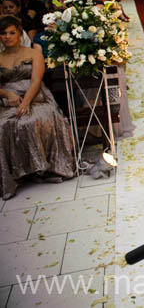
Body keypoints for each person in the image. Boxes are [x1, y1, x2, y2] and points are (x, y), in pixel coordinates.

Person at [0, 16, 75, 200]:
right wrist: (7, 94)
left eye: (12, 32)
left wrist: (26, 102)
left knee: (32, 120)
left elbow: (36, 80)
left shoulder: (33, 53)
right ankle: (16, 173)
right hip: (8, 99)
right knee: (4, 125)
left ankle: (42, 168)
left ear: (19, 33)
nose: (7, 37)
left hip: (36, 97)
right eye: (3, 33)